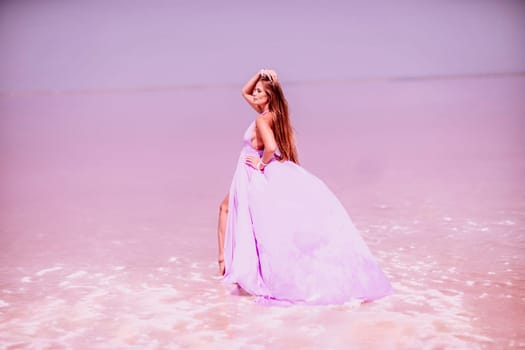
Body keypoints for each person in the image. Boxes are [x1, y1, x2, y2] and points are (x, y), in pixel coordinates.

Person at [216, 69, 392, 305]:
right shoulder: (274, 114)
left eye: (259, 92)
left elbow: (269, 147)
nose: (254, 95)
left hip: (250, 172)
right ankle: (234, 264)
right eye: (256, 91)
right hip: (252, 170)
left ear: (268, 97)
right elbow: (244, 91)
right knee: (250, 220)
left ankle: (225, 263)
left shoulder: (261, 118)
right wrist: (260, 75)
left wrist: (260, 163)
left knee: (229, 211)